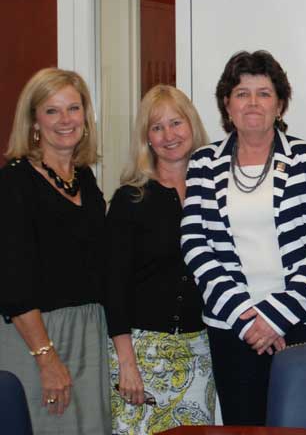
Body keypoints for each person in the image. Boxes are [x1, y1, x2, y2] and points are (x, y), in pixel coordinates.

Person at [181, 50, 306, 425]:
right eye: (241, 93)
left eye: (264, 93)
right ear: (227, 104)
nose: (253, 102)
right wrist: (248, 318)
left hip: (305, 325)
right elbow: (195, 244)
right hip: (234, 328)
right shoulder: (204, 162)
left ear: (280, 104)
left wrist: (276, 316)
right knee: (244, 425)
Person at [0, 68, 110, 434]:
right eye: (52, 111)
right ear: (34, 122)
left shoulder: (87, 181)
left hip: (88, 332)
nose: (66, 120)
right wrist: (46, 358)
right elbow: (12, 280)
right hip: (37, 338)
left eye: (74, 109)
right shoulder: (15, 182)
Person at [105, 85, 215, 433]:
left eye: (176, 123)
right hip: (141, 354)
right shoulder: (130, 199)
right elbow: (112, 285)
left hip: (199, 353)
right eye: (157, 127)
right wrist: (127, 363)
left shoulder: (215, 192)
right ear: (147, 138)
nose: (169, 135)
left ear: (192, 126)